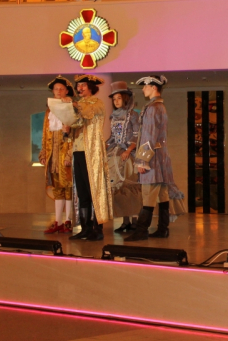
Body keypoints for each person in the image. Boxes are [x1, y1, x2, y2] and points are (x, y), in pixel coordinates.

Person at [125, 75, 186, 241]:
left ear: (153, 87)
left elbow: (149, 136)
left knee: (148, 195)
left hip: (152, 159)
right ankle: (162, 229)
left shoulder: (153, 108)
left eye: (145, 86)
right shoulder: (159, 106)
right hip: (160, 157)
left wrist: (142, 160)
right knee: (162, 194)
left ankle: (141, 230)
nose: (143, 89)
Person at [66, 74, 113, 241]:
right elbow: (76, 124)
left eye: (83, 85)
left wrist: (74, 105)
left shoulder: (97, 103)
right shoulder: (79, 105)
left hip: (91, 152)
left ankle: (97, 228)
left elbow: (87, 113)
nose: (79, 88)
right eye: (78, 86)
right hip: (78, 151)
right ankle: (85, 227)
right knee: (82, 192)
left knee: (94, 189)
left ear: (91, 87)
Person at [40, 76, 75, 234]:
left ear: (67, 91)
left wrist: (69, 155)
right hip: (52, 155)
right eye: (56, 89)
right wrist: (43, 152)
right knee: (57, 188)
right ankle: (58, 221)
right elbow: (44, 133)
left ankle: (68, 221)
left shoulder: (69, 108)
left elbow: (73, 134)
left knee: (68, 187)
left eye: (61, 89)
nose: (59, 91)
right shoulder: (49, 111)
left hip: (64, 153)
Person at [106, 81, 142, 233]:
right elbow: (113, 137)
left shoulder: (133, 115)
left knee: (130, 187)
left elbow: (136, 135)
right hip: (116, 154)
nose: (116, 101)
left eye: (119, 98)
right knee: (119, 189)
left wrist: (129, 150)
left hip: (129, 155)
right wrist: (105, 145)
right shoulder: (114, 117)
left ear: (125, 99)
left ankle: (135, 221)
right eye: (114, 99)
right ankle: (125, 221)